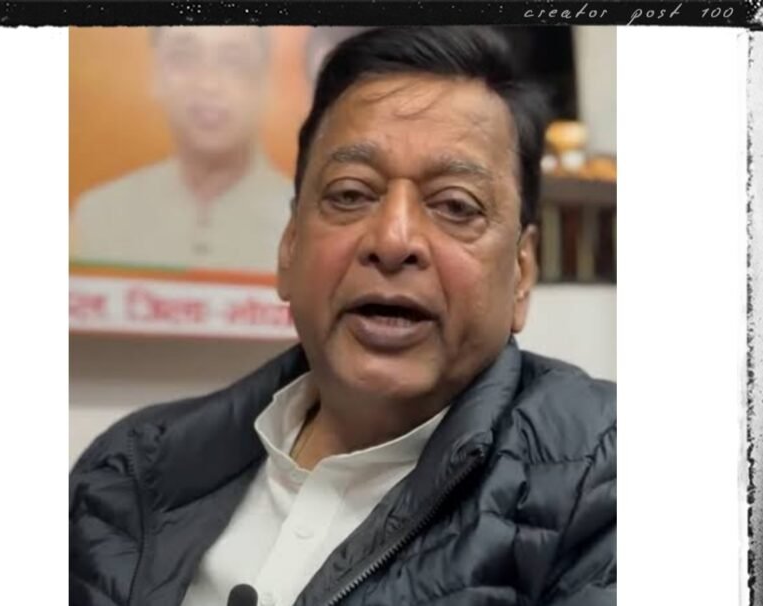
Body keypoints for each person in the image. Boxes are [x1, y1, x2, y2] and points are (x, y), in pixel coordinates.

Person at [70, 27, 616, 606]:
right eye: (351, 194)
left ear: (522, 273)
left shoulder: (607, 472)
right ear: (289, 248)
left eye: (456, 205)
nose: (393, 239)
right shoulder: (129, 470)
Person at [70, 26, 292, 273]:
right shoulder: (99, 216)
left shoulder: (304, 222)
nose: (208, 84)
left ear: (266, 85)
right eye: (184, 57)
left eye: (233, 60)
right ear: (155, 77)